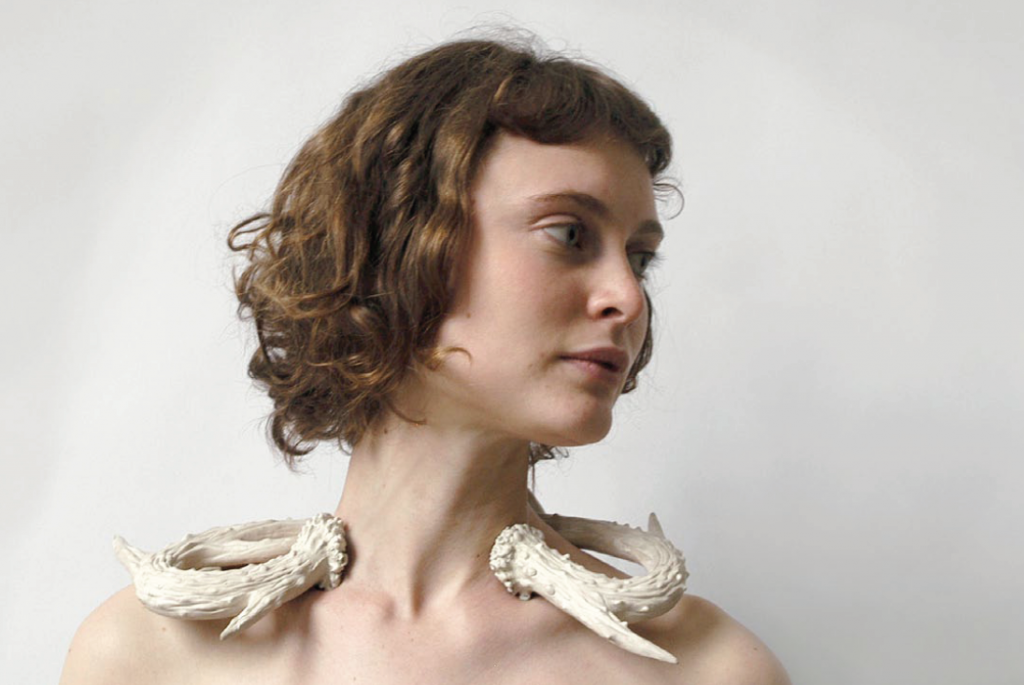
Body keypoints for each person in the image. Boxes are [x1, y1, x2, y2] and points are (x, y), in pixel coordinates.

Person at [59, 37, 790, 684]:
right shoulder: (148, 657)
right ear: (400, 243)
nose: (627, 298)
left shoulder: (705, 669)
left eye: (640, 258)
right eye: (569, 234)